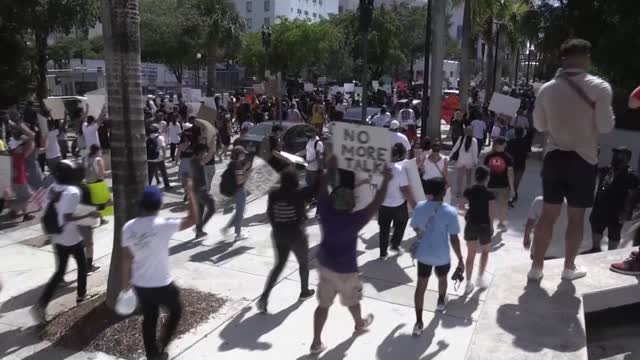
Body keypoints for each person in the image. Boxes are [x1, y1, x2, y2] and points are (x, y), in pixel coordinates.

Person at [530, 38, 614, 281]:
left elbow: (539, 125)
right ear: (586, 58)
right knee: (576, 218)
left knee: (548, 215)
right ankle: (568, 268)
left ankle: (536, 269)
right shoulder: (599, 87)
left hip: (554, 157)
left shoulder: (546, 89)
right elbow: (606, 127)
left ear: (562, 59)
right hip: (584, 159)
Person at [309, 155, 391, 355]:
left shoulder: (327, 212)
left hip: (326, 266)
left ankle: (316, 342)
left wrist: (330, 169)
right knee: (352, 300)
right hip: (346, 270)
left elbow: (321, 188)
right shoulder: (355, 220)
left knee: (322, 306)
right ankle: (359, 324)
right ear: (351, 205)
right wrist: (386, 180)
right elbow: (376, 204)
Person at [120, 184, 198, 360]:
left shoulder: (128, 227)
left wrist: (126, 285)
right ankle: (162, 343)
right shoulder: (164, 225)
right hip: (162, 285)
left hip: (140, 285)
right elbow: (193, 219)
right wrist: (191, 192)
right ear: (160, 205)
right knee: (176, 311)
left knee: (150, 317)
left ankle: (152, 355)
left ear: (141, 205)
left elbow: (125, 258)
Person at [31, 161, 99, 323]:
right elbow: (69, 216)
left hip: (56, 236)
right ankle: (81, 297)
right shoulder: (72, 191)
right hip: (71, 237)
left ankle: (41, 305)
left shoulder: (52, 188)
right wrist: (89, 216)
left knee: (60, 272)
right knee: (82, 266)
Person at [411, 178, 463, 336]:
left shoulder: (419, 207)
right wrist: (460, 259)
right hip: (442, 255)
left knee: (421, 287)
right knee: (442, 278)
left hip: (424, 255)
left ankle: (418, 322)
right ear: (443, 192)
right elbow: (454, 239)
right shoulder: (451, 212)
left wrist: (422, 236)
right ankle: (441, 301)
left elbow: (415, 227)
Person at [258, 168, 316, 313]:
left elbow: (270, 214)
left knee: (278, 266)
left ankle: (264, 296)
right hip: (296, 234)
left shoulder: (273, 194)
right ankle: (304, 291)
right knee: (303, 263)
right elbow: (302, 216)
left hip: (278, 234)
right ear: (295, 180)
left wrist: (277, 226)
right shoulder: (297, 194)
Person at [588, 147, 639, 252]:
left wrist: (627, 212)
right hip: (600, 207)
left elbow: (633, 195)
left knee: (614, 233)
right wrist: (594, 157)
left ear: (627, 158)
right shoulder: (607, 170)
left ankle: (611, 253)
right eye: (615, 154)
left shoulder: (631, 175)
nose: (615, 157)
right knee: (597, 227)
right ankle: (595, 248)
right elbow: (592, 171)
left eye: (619, 154)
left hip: (617, 210)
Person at [378, 144, 416, 258]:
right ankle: (395, 243)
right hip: (398, 205)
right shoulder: (399, 170)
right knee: (401, 223)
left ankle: (382, 253)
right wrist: (413, 204)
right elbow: (405, 189)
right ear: (397, 156)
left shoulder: (380, 168)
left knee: (384, 229)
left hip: (383, 205)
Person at [462, 166, 495, 295]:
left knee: (470, 255)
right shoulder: (489, 194)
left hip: (471, 224)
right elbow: (491, 213)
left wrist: (468, 213)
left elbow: (460, 205)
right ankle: (480, 278)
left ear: (476, 176)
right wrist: (492, 226)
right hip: (485, 225)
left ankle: (468, 282)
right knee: (485, 252)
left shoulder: (468, 191)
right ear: (487, 178)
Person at [221, 146, 251, 241]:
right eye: (243, 153)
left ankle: (227, 228)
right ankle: (238, 234)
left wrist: (245, 168)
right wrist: (248, 173)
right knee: (240, 212)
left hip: (235, 191)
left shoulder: (233, 163)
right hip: (239, 190)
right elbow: (239, 181)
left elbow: (237, 174)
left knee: (241, 211)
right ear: (239, 154)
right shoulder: (237, 165)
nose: (244, 155)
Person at [7, 120, 36, 221]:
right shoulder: (19, 152)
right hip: (19, 176)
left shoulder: (11, 147)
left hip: (17, 174)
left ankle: (25, 214)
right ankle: (14, 210)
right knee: (28, 195)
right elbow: (31, 140)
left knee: (22, 196)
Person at [483, 137, 514, 230]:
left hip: (490, 185)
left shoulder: (488, 156)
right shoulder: (508, 157)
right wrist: (512, 187)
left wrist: (484, 184)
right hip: (503, 186)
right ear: (504, 144)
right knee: (503, 205)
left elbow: (485, 172)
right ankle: (501, 223)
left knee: (490, 206)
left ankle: (490, 224)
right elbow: (510, 173)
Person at [191, 144, 216, 238]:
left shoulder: (192, 161)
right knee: (212, 208)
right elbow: (209, 157)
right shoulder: (198, 162)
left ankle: (199, 231)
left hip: (195, 190)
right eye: (204, 152)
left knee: (200, 211)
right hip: (201, 190)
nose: (205, 154)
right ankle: (199, 228)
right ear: (200, 152)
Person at [450, 127, 479, 202]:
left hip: (461, 160)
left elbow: (455, 147)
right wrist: (476, 162)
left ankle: (459, 192)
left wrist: (450, 155)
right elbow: (475, 153)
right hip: (470, 161)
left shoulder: (461, 138)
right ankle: (467, 192)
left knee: (460, 177)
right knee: (468, 177)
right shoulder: (474, 140)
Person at [506, 127, 529, 206]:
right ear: (522, 133)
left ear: (515, 133)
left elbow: (506, 152)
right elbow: (528, 154)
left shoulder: (510, 142)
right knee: (516, 181)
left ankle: (509, 196)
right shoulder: (526, 142)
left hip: (511, 164)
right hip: (521, 164)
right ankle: (513, 195)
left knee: (510, 180)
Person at [146, 125, 171, 189]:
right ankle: (167, 186)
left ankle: (147, 188)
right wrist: (164, 155)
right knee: (163, 172)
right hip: (159, 158)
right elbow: (163, 147)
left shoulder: (147, 137)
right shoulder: (160, 137)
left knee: (150, 175)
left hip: (150, 159)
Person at [305, 127, 324, 194]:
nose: (307, 134)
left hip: (314, 169)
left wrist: (310, 161)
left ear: (313, 133)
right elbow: (307, 150)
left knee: (313, 186)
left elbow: (319, 157)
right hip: (307, 167)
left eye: (308, 133)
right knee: (308, 184)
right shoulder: (309, 140)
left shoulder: (318, 143)